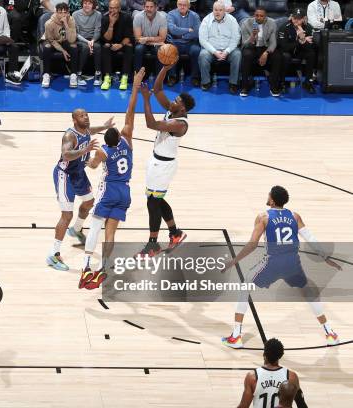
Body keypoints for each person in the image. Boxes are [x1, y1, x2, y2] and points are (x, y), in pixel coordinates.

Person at [222, 185, 341, 349]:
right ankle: (330, 332)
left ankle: (236, 336)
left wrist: (233, 261)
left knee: (245, 286)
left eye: (269, 194)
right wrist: (325, 257)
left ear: (271, 199)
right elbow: (310, 237)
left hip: (272, 262)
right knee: (308, 292)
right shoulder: (294, 215)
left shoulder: (263, 217)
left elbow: (252, 244)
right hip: (292, 262)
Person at [80, 69, 144, 290]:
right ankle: (105, 267)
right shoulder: (127, 141)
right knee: (111, 233)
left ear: (105, 140)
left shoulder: (104, 152)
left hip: (109, 191)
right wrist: (135, 87)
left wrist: (88, 157)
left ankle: (86, 266)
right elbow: (130, 110)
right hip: (125, 192)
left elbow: (92, 166)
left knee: (96, 226)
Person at [138, 62, 195, 256]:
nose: (173, 101)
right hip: (157, 162)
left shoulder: (179, 124)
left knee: (152, 203)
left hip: (164, 165)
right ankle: (175, 232)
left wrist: (145, 100)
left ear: (184, 108)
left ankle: (152, 244)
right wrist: (165, 67)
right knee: (157, 199)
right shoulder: (173, 110)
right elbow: (158, 89)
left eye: (177, 100)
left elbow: (151, 123)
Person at [47, 110, 114, 271]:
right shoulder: (70, 136)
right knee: (66, 215)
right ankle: (53, 255)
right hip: (65, 175)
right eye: (82, 115)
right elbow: (66, 154)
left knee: (89, 202)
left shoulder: (86, 131)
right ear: (74, 119)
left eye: (87, 115)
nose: (86, 117)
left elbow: (92, 130)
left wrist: (104, 126)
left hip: (78, 173)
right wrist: (85, 151)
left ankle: (76, 229)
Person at [236, 338, 301, 408]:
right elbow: (301, 403)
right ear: (281, 355)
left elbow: (243, 406)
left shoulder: (252, 377)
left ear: (264, 354)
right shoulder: (291, 377)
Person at [198, 0, 241, 93]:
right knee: (203, 55)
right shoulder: (206, 20)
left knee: (237, 54)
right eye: (215, 10)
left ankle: (233, 83)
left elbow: (236, 38)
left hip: (229, 50)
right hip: (212, 50)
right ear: (212, 10)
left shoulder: (232, 20)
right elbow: (203, 40)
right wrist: (215, 52)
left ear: (224, 10)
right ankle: (206, 82)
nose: (217, 12)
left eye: (220, 10)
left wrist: (227, 51)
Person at [239, 6, 282, 97]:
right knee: (247, 55)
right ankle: (245, 86)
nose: (258, 18)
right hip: (251, 47)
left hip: (265, 47)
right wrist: (253, 36)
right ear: (254, 15)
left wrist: (266, 53)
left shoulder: (272, 23)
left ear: (265, 16)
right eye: (256, 15)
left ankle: (274, 85)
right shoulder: (246, 23)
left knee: (277, 56)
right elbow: (244, 44)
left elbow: (273, 43)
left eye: (261, 16)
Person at [277, 9, 317, 94]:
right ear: (291, 17)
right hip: (288, 52)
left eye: (299, 18)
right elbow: (284, 47)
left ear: (303, 19)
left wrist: (303, 39)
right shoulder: (284, 27)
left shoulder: (309, 28)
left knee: (311, 54)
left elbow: (311, 47)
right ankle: (282, 82)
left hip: (301, 52)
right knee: (285, 56)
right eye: (294, 18)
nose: (296, 20)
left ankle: (307, 83)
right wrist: (300, 41)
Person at [42, 2, 81, 88]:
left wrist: (66, 24)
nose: (63, 14)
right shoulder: (49, 23)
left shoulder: (71, 20)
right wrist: (62, 51)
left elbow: (72, 39)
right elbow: (51, 40)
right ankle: (46, 74)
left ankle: (73, 75)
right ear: (56, 12)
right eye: (60, 12)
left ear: (68, 13)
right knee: (47, 48)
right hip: (52, 41)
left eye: (65, 12)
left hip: (65, 41)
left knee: (74, 47)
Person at [99, 0, 133, 90]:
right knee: (105, 46)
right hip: (110, 43)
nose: (112, 10)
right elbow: (106, 38)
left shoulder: (127, 17)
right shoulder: (105, 18)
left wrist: (120, 45)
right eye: (110, 8)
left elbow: (129, 37)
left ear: (120, 8)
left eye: (115, 8)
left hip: (123, 43)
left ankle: (124, 77)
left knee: (129, 47)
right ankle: (107, 77)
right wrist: (111, 24)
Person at [166, 0, 201, 86]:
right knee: (171, 50)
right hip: (175, 42)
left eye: (184, 5)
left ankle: (195, 77)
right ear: (177, 5)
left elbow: (197, 32)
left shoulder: (195, 16)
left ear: (189, 6)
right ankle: (172, 77)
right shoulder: (171, 14)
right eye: (180, 4)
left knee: (196, 50)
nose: (182, 7)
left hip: (190, 42)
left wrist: (182, 36)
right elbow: (172, 29)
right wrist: (188, 30)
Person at [133, 0, 167, 76]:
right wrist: (153, 41)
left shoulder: (162, 18)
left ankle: (159, 77)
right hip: (144, 44)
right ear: (144, 7)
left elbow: (162, 38)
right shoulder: (138, 17)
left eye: (151, 7)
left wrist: (146, 39)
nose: (149, 9)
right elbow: (138, 38)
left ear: (156, 8)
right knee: (138, 49)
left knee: (160, 50)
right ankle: (137, 76)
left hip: (152, 43)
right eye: (147, 7)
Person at [72, 0, 102, 86]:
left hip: (93, 39)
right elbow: (76, 33)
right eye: (85, 3)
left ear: (93, 5)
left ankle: (98, 74)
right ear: (82, 4)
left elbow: (98, 30)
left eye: (89, 3)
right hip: (81, 39)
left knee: (97, 47)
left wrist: (92, 41)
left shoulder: (98, 14)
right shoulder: (75, 14)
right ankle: (79, 74)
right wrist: (87, 42)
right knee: (85, 48)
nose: (87, 5)